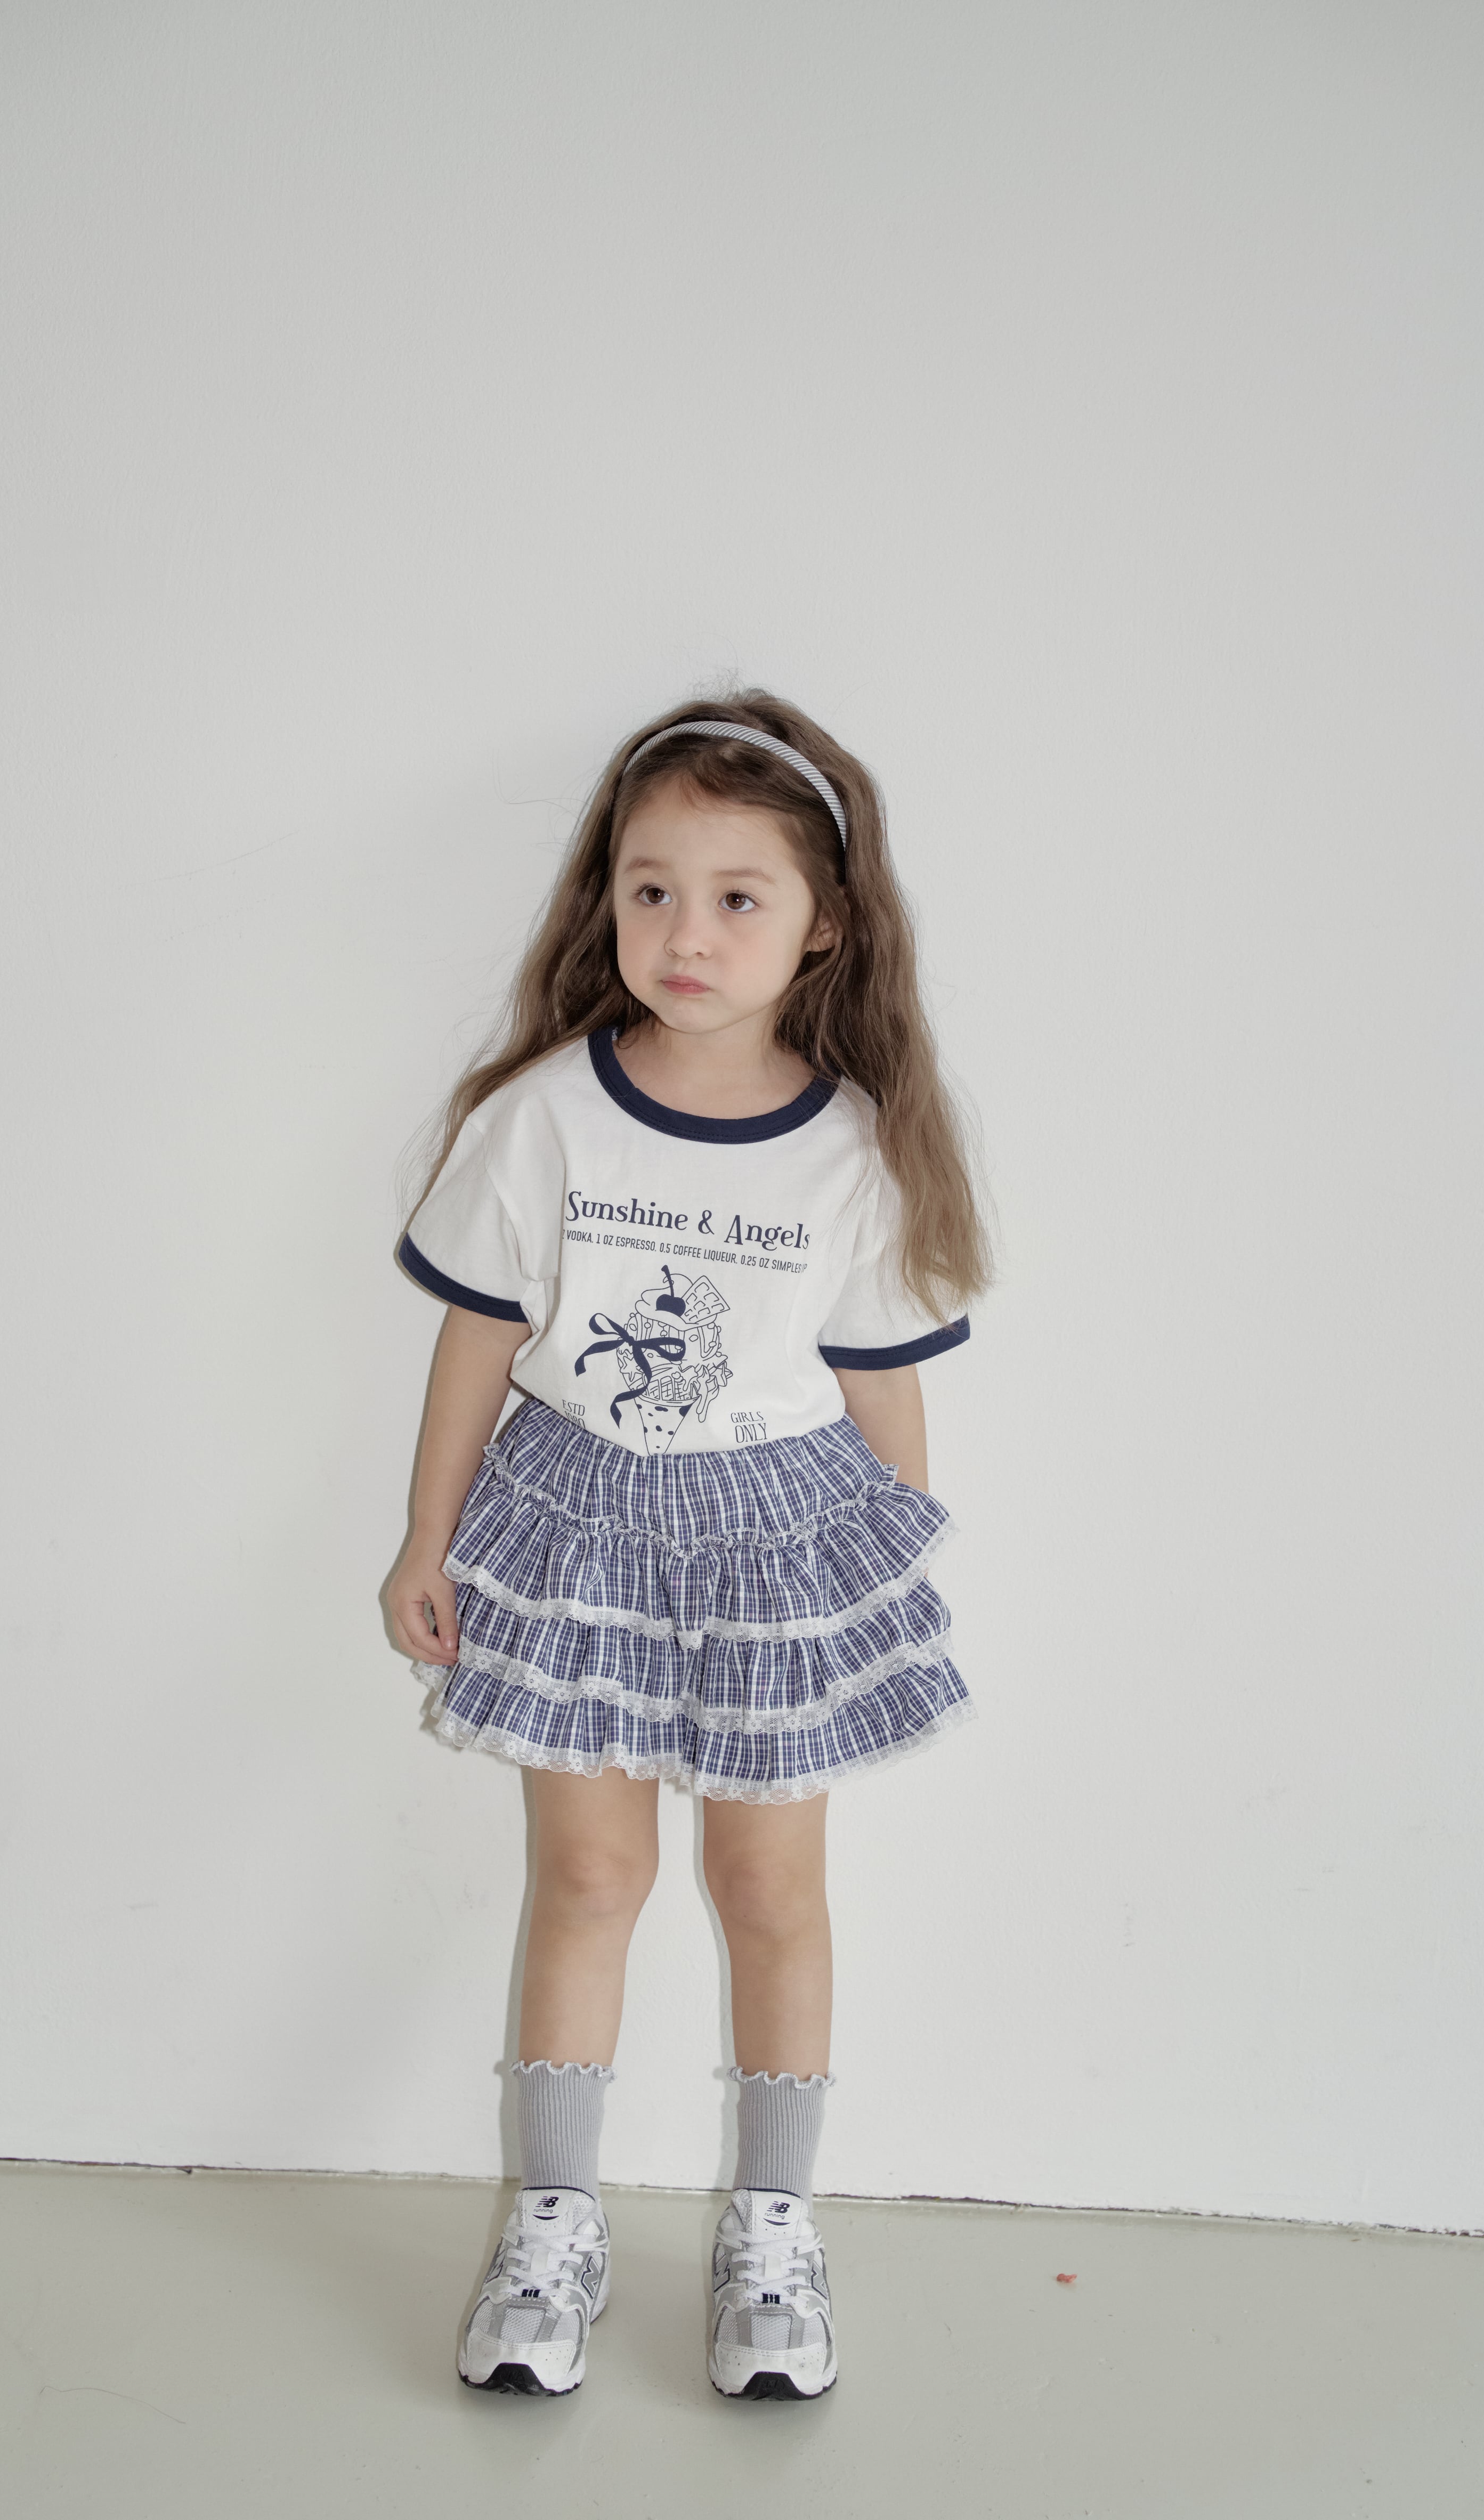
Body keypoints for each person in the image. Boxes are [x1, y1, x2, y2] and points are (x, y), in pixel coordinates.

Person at [382, 692, 991, 2400]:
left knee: (767, 1889)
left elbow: (877, 1381)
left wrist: (887, 1572)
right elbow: (479, 1336)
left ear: (824, 925)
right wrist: (427, 1536)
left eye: (737, 896)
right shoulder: (541, 1116)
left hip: (774, 1543)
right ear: (607, 900)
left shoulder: (856, 1150)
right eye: (650, 889)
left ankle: (772, 2228)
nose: (686, 933)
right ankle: (552, 2220)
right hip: (573, 1526)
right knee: (587, 1877)